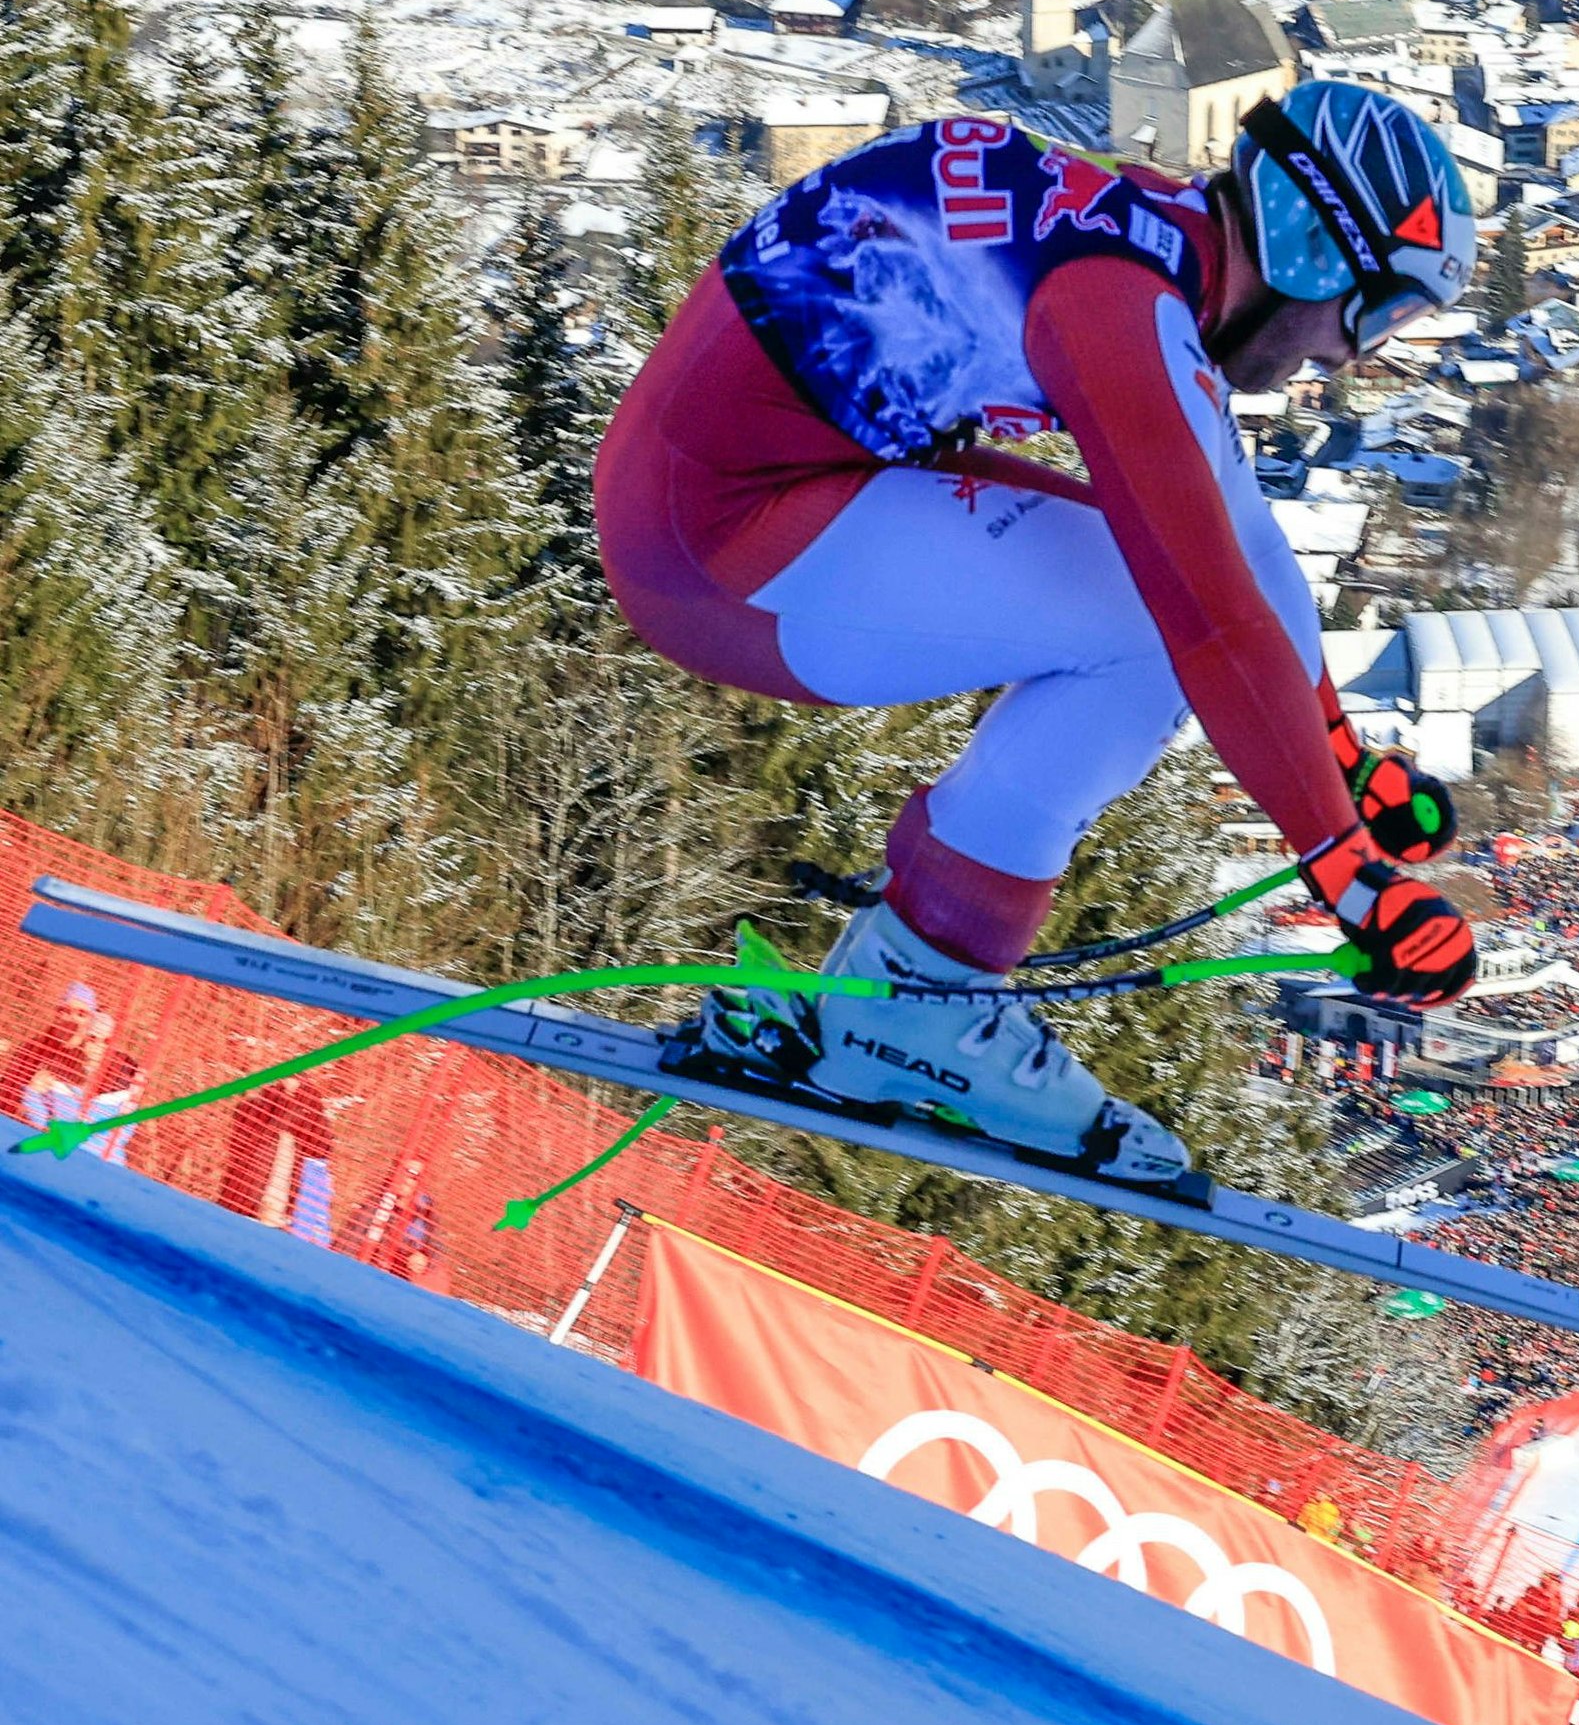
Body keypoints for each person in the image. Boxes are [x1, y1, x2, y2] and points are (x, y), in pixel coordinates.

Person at [596, 85, 1481, 1176]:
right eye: (1375, 314)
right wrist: (1348, 875)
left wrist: (1340, 767)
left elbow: (1243, 543)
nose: (1354, 358)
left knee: (1151, 585)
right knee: (1151, 632)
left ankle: (912, 983)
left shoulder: (1156, 243)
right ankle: (920, 1001)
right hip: (718, 552)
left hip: (743, 497)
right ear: (1310, 247)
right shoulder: (1118, 303)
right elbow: (1211, 615)